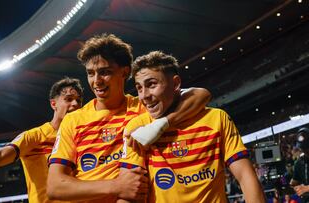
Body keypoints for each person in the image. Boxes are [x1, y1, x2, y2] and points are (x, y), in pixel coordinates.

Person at [47, 34, 211, 203]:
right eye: (90, 73)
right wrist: (116, 186)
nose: (96, 81)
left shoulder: (143, 108)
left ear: (125, 72)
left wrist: (163, 123)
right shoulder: (74, 120)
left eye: (104, 72)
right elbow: (55, 186)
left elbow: (201, 94)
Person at [119, 51, 266, 203]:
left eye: (151, 85)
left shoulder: (217, 118)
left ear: (175, 84)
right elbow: (129, 192)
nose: (144, 96)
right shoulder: (137, 127)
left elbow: (245, 176)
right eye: (139, 88)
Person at [0, 77, 83, 203]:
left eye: (78, 100)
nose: (75, 104)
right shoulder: (35, 136)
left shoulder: (84, 136)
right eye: (69, 99)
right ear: (54, 104)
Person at [290, 127, 309, 203]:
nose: (305, 150)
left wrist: (307, 188)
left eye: (307, 147)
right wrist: (295, 187)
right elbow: (294, 182)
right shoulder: (299, 162)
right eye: (303, 148)